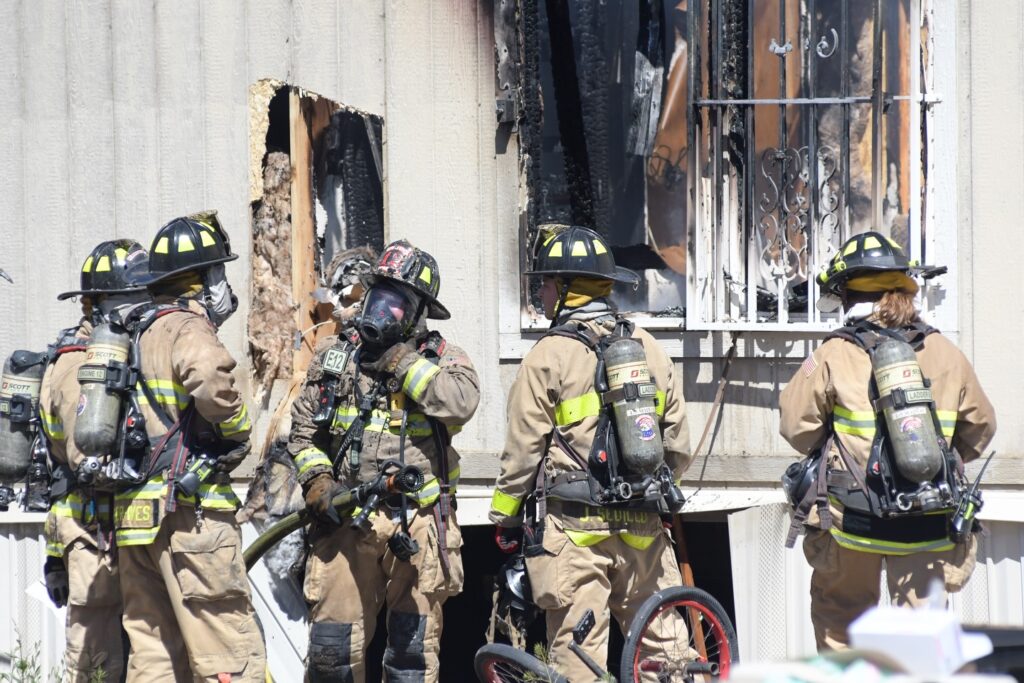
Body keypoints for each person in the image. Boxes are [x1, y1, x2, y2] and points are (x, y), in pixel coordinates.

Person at [489, 224, 691, 680]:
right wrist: (651, 489)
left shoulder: (548, 355)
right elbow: (677, 442)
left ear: (564, 289)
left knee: (579, 655)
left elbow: (523, 449)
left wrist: (504, 516)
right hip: (643, 527)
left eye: (543, 283)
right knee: (665, 648)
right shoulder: (649, 349)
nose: (539, 293)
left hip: (575, 531)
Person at [779, 231, 997, 651]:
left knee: (843, 630)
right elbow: (981, 427)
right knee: (918, 648)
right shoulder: (947, 352)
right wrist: (932, 461)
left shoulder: (832, 354)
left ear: (848, 292)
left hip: (852, 524)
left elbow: (796, 427)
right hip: (926, 522)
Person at [288, 239, 479, 682]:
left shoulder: (442, 360)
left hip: (416, 525)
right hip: (345, 522)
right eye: (379, 298)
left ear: (417, 313)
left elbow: (461, 401)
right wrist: (318, 482)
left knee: (410, 658)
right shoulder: (337, 357)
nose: (383, 312)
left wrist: (402, 362)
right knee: (331, 655)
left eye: (398, 304)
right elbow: (301, 433)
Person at [113, 212, 266, 681]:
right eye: (220, 272)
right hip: (191, 514)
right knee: (226, 653)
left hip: (134, 520)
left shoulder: (132, 331)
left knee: (154, 655)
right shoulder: (186, 326)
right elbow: (209, 382)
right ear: (204, 279)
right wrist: (237, 428)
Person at [39, 239, 149, 681]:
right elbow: (84, 459)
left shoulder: (119, 357)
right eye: (136, 299)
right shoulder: (76, 365)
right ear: (104, 304)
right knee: (98, 663)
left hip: (122, 532)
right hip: (90, 535)